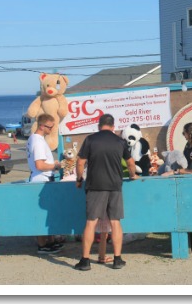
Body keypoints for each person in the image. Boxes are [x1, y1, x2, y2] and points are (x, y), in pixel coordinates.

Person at [74, 114, 138, 271]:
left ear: (99, 125)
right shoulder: (120, 141)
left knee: (91, 222)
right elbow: (130, 162)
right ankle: (117, 259)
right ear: (113, 126)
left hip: (95, 186)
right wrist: (132, 175)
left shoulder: (90, 140)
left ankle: (85, 261)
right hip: (115, 186)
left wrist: (79, 178)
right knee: (115, 222)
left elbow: (80, 162)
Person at [27, 113, 63, 254]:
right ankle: (43, 245)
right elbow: (40, 165)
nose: (51, 130)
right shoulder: (38, 141)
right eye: (49, 127)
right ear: (42, 126)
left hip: (39, 178)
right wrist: (55, 166)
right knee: (43, 214)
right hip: (42, 179)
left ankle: (50, 241)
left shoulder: (33, 139)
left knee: (45, 213)